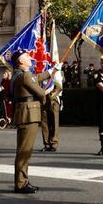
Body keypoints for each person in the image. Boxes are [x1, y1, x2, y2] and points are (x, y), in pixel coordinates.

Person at [11, 51, 48, 194]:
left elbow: (35, 78)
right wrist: (50, 89)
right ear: (20, 62)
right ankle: (21, 183)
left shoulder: (20, 74)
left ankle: (23, 180)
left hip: (26, 113)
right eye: (26, 57)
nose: (30, 58)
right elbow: (41, 92)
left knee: (25, 150)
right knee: (24, 151)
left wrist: (51, 71)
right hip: (28, 114)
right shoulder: (25, 75)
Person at [41, 71, 62, 152]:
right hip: (43, 99)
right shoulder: (39, 70)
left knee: (54, 122)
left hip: (53, 99)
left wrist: (52, 94)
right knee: (44, 123)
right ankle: (46, 144)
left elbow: (59, 86)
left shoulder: (55, 71)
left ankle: (53, 143)